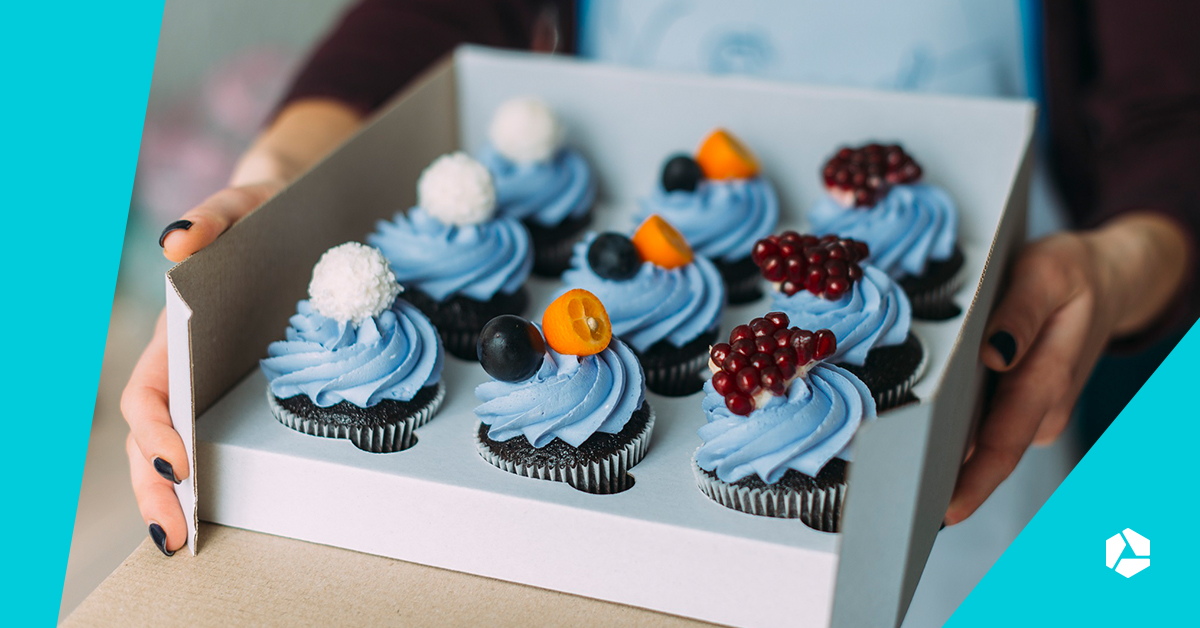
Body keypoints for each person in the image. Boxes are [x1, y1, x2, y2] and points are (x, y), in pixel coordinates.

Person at [125, 0, 1197, 557]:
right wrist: (265, 186)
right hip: (655, 284)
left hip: (979, 472)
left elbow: (1174, 119)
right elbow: (425, 18)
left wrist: (1126, 259)